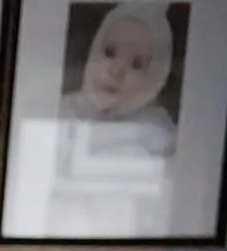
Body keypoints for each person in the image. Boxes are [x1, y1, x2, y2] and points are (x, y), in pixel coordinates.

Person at [59, 3, 178, 161]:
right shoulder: (65, 111)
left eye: (136, 64)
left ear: (153, 79)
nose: (116, 71)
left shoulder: (155, 131)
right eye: (110, 52)